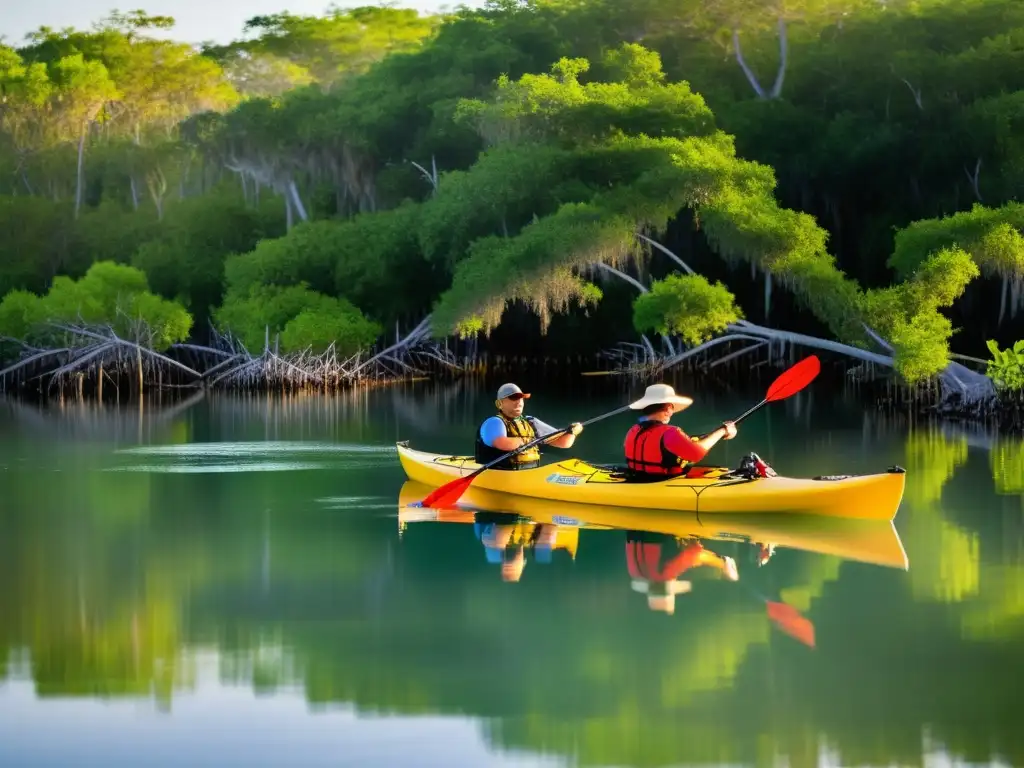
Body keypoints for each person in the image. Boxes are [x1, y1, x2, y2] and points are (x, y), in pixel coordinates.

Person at [623, 383, 737, 479]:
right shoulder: (670, 433)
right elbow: (696, 453)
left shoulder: (632, 431)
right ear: (668, 408)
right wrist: (723, 430)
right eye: (672, 407)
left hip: (637, 480)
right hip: (662, 486)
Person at [626, 531, 739, 614]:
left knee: (691, 551)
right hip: (634, 527)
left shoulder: (665, 575)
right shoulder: (635, 573)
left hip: (657, 528)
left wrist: (722, 563)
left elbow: (694, 555)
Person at [475, 383, 582, 470]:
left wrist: (572, 432)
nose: (519, 403)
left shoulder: (531, 422)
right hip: (499, 472)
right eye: (513, 398)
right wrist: (526, 440)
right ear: (499, 404)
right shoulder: (494, 422)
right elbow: (502, 443)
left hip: (529, 473)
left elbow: (563, 443)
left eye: (521, 398)